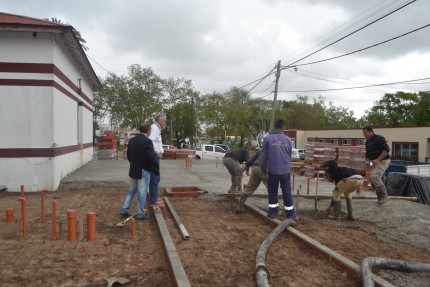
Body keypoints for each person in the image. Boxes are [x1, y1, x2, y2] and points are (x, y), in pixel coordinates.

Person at [120, 122, 159, 220]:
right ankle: (140, 213)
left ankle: (124, 210)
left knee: (132, 190)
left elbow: (129, 155)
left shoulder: (132, 140)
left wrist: (134, 163)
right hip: (143, 170)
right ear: (148, 130)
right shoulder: (147, 142)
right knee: (142, 192)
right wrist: (150, 168)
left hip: (133, 169)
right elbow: (150, 158)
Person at [260, 119, 298, 220]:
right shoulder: (289, 140)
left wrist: (263, 170)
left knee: (272, 191)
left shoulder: (268, 139)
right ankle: (291, 214)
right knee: (287, 192)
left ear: (275, 127)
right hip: (285, 170)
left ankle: (273, 212)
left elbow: (263, 157)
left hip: (273, 170)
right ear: (283, 127)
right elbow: (289, 156)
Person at [235, 133, 269, 213]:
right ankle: (274, 210)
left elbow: (250, 161)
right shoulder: (272, 150)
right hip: (263, 169)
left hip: (255, 168)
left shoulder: (260, 150)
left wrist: (242, 171)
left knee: (249, 188)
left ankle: (239, 206)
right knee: (272, 189)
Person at [362, 125, 390, 204]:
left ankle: (384, 195)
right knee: (372, 180)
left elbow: (386, 150)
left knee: (375, 177)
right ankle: (380, 197)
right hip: (375, 162)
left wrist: (378, 159)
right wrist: (367, 161)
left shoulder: (379, 138)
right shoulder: (367, 142)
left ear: (371, 131)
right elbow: (368, 153)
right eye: (363, 133)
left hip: (384, 160)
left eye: (365, 133)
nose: (364, 135)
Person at [148, 113, 167, 207]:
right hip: (155, 156)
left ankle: (154, 197)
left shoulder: (156, 128)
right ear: (159, 120)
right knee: (154, 178)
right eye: (164, 121)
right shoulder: (155, 128)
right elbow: (150, 141)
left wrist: (161, 151)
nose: (165, 123)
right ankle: (153, 200)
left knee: (156, 178)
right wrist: (157, 152)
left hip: (157, 156)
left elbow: (157, 142)